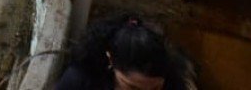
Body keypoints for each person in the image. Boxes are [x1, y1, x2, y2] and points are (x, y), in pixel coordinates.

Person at [53, 14, 191, 90]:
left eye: (155, 89)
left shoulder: (173, 86)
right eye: (133, 89)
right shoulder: (81, 80)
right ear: (110, 60)